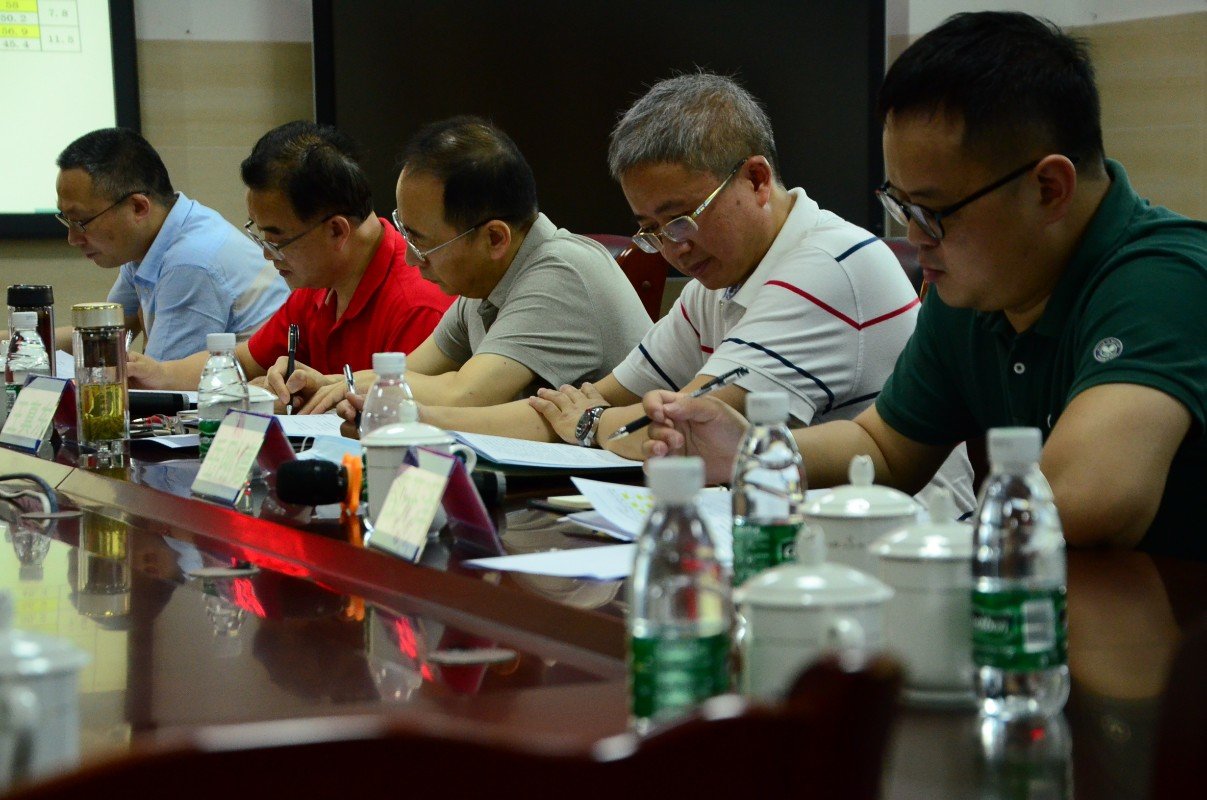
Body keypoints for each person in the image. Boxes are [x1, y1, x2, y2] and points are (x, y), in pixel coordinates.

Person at [644, 13, 1207, 559]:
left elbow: (1088, 500)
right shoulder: (976, 289)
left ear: (1050, 189)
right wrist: (751, 451)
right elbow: (885, 447)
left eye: (933, 211)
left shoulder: (1164, 277)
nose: (914, 237)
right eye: (901, 205)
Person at [326, 74, 972, 509]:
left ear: (756, 179)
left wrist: (585, 422)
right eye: (651, 229)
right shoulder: (717, 281)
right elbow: (607, 407)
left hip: (893, 544)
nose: (672, 247)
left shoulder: (826, 268)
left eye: (681, 218)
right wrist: (403, 418)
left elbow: (669, 433)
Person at [269, 116, 651, 410]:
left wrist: (353, 387)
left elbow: (463, 395)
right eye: (404, 232)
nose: (409, 257)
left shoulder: (560, 274)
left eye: (421, 241)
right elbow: (405, 372)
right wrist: (327, 386)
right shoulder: (484, 280)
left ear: (494, 239)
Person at [127, 121, 453, 390]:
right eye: (259, 235)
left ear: (336, 231)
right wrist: (157, 373)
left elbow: (403, 421)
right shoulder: (319, 282)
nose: (268, 255)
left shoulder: (418, 306)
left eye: (277, 240)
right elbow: (240, 362)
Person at [53, 128, 289, 360]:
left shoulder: (191, 262)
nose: (72, 238)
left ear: (138, 207)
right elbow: (101, 334)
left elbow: (159, 379)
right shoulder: (148, 241)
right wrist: (33, 341)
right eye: (66, 220)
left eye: (81, 222)